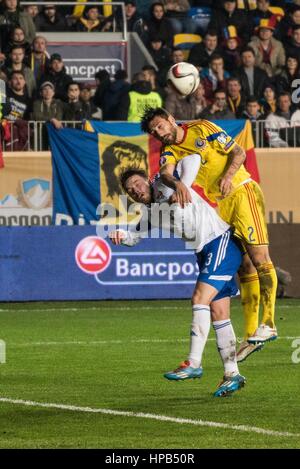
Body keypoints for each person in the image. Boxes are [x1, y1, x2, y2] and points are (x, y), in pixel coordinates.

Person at [140, 107, 278, 363]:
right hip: (221, 205)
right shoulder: (169, 151)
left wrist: (227, 176)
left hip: (241, 190)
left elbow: (237, 151)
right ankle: (251, 335)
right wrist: (177, 183)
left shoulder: (202, 127)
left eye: (160, 126)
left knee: (260, 259)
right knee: (245, 267)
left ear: (171, 119)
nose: (158, 133)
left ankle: (269, 323)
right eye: (153, 132)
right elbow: (166, 174)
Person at [109, 154, 246, 396]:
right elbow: (133, 238)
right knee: (219, 313)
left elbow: (193, 157)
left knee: (199, 300)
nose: (136, 191)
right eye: (130, 191)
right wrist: (120, 234)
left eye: (138, 184)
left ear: (148, 180)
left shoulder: (164, 183)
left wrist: (179, 183)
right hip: (204, 251)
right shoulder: (150, 213)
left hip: (220, 240)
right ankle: (232, 373)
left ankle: (194, 362)